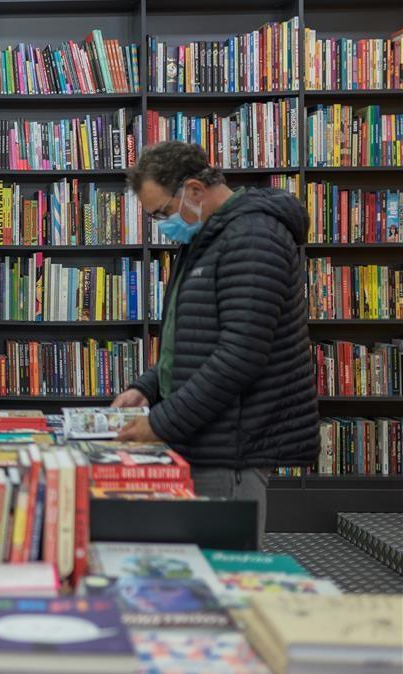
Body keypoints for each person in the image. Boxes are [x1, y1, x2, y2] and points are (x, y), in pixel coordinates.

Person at [114, 141, 318, 545]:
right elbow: (194, 340)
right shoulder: (209, 238)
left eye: (162, 213)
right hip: (208, 436)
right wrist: (148, 386)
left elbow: (239, 357)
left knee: (225, 574)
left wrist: (161, 422)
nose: (163, 225)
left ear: (193, 189)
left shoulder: (254, 237)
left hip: (233, 446)